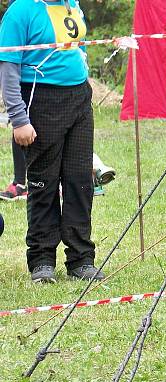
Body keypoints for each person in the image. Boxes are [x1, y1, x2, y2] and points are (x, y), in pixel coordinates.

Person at [0, 0, 105, 283]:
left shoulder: (73, 4)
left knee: (80, 182)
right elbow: (8, 68)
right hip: (41, 99)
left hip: (79, 100)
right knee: (43, 183)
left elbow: (78, 46)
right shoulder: (20, 11)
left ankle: (81, 259)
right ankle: (42, 260)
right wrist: (19, 119)